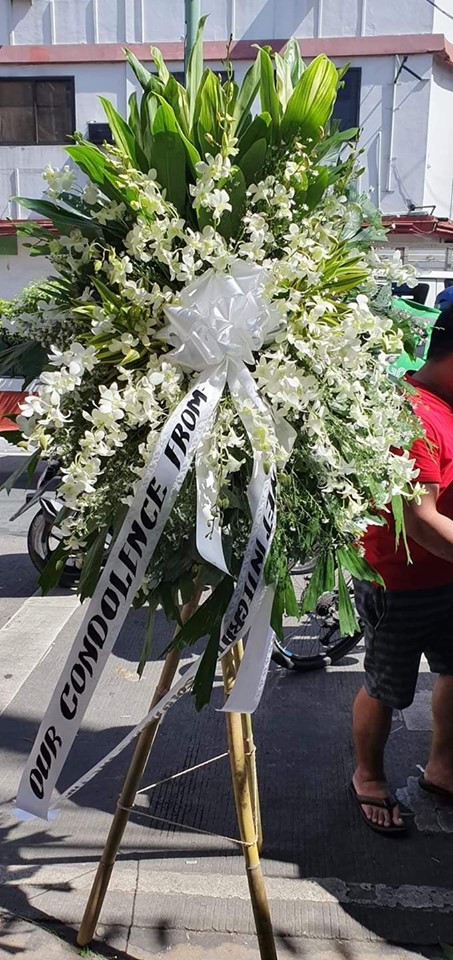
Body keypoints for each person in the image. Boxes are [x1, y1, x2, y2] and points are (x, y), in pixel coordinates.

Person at [351, 304, 453, 835]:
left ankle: (442, 769)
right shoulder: (419, 418)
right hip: (399, 581)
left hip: (447, 578)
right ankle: (367, 777)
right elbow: (420, 521)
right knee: (387, 686)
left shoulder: (447, 404)